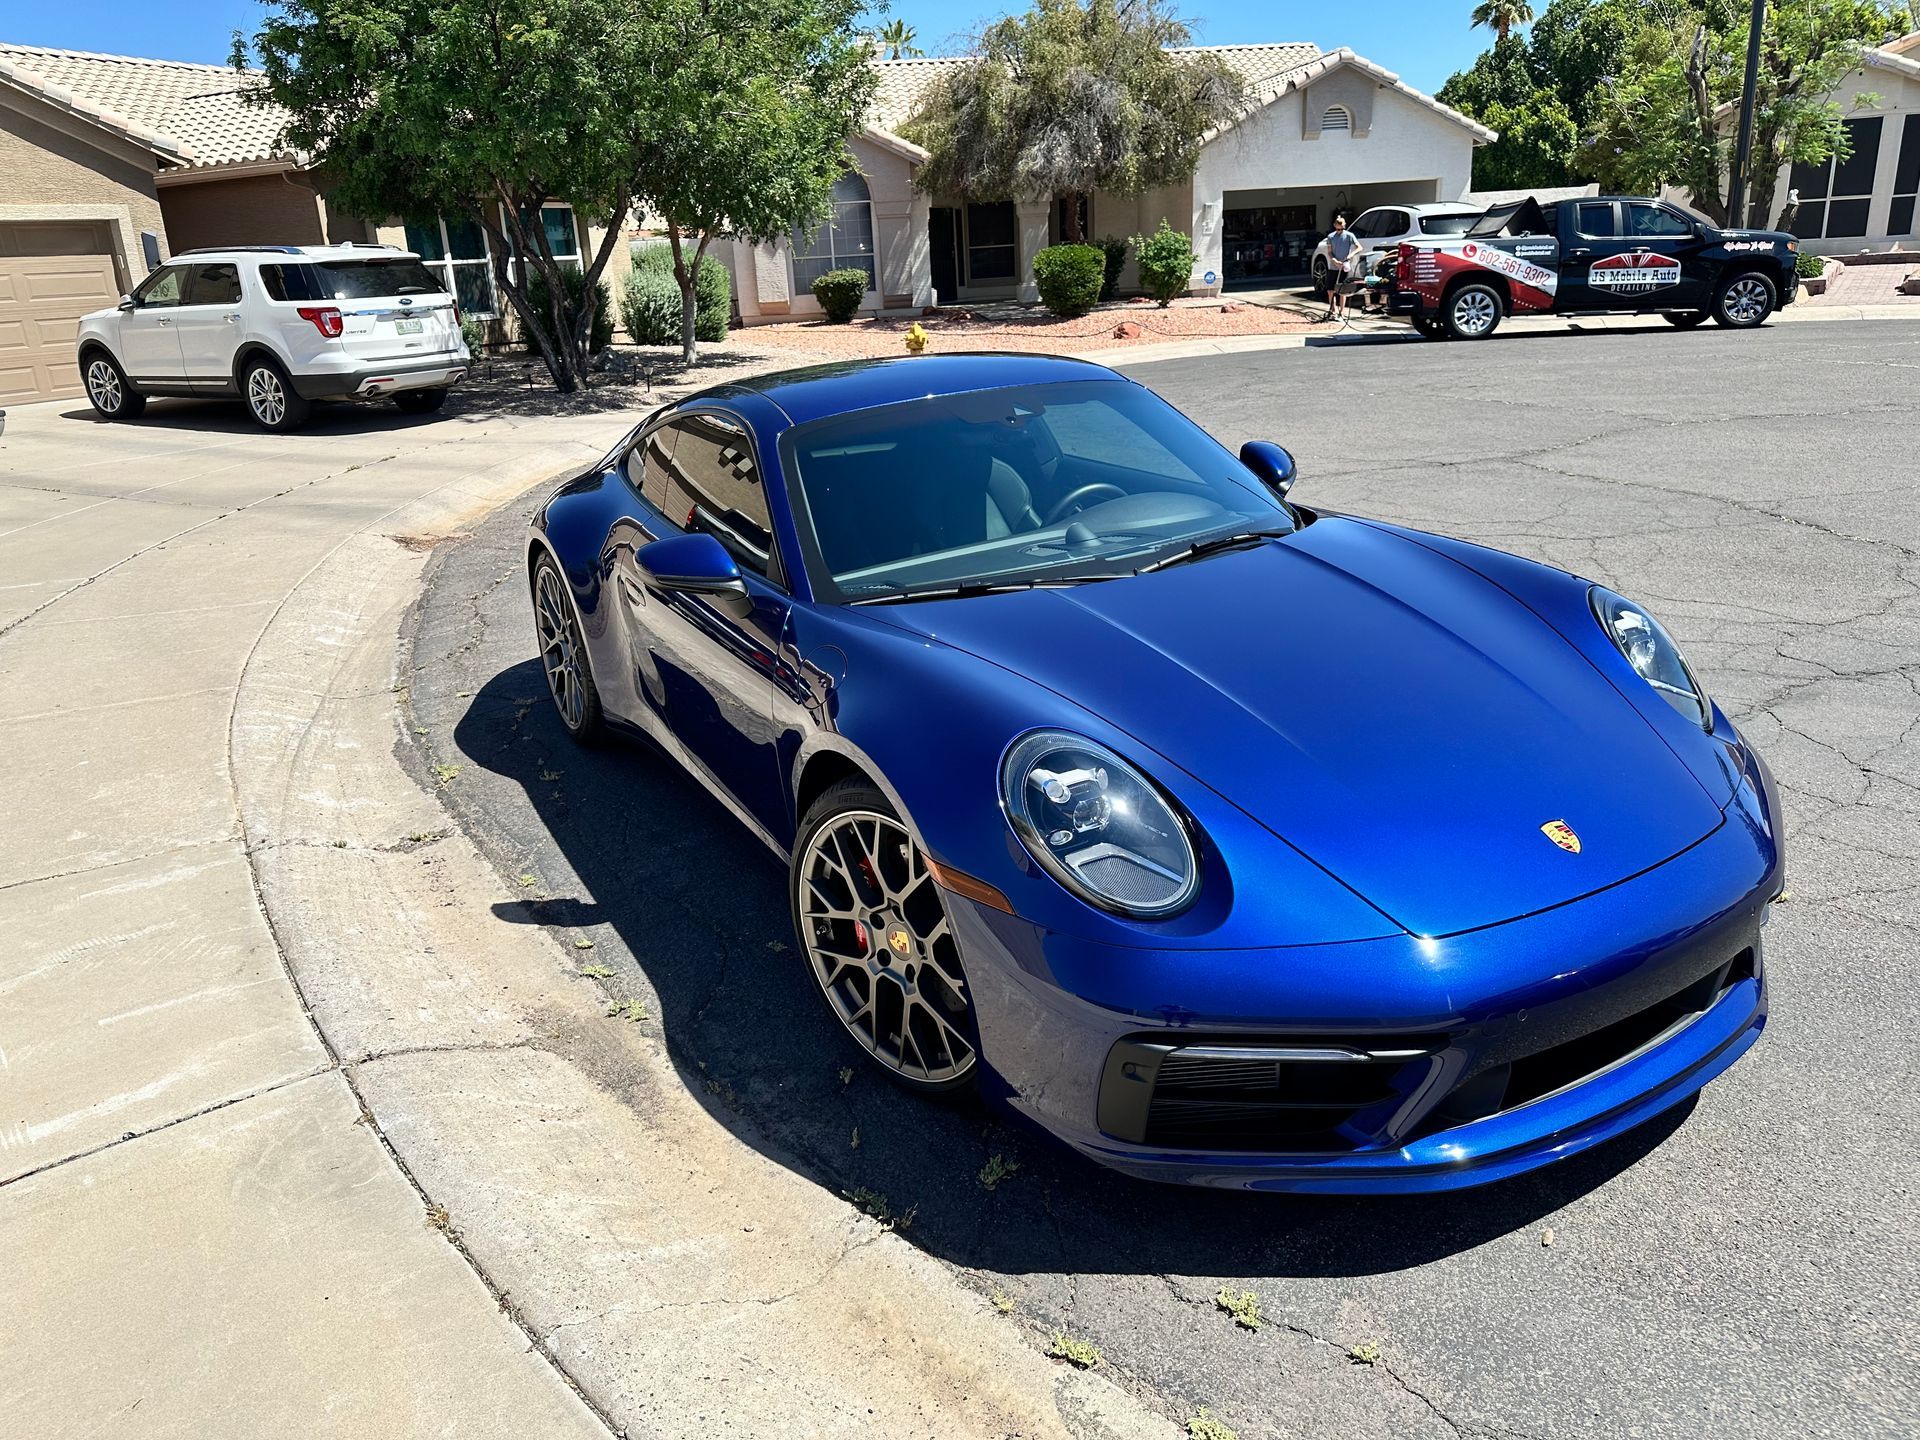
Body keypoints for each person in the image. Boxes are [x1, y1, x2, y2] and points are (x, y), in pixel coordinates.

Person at [1323, 215, 1361, 321]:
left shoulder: (1349, 235)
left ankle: (1342, 312)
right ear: (1335, 226)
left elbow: (1359, 247)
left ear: (1344, 226)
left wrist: (1350, 255)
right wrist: (1334, 260)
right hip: (1333, 266)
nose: (1339, 231)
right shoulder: (1331, 237)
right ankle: (1332, 310)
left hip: (1344, 265)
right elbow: (1329, 252)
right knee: (1331, 290)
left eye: (1341, 229)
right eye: (1337, 229)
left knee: (1342, 290)